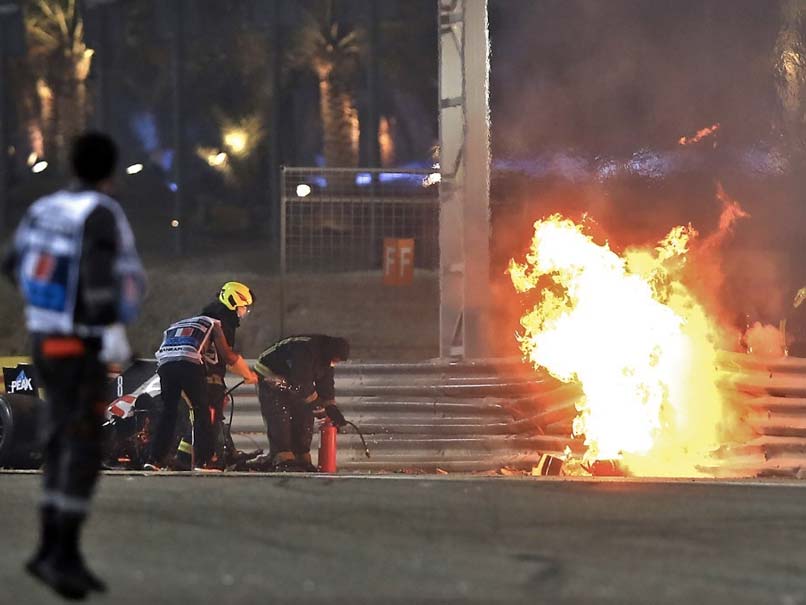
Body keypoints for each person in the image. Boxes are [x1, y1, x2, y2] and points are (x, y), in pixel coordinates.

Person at [2, 132, 146, 599]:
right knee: (82, 450)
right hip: (79, 343)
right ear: (110, 171)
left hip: (45, 340)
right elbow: (99, 279)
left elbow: (11, 262)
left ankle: (55, 549)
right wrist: (111, 335)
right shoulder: (99, 212)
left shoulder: (43, 210)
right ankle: (59, 552)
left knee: (63, 443)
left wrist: (43, 307)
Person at [145, 305, 258, 471]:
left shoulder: (178, 324)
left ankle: (155, 459)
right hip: (189, 363)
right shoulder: (214, 323)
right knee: (202, 412)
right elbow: (227, 355)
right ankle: (205, 461)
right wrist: (248, 374)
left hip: (165, 365)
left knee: (169, 413)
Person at [173, 282, 254, 470]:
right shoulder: (220, 323)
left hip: (194, 374)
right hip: (206, 379)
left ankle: (183, 459)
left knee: (203, 419)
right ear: (233, 302)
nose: (244, 312)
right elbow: (226, 356)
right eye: (244, 307)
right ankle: (207, 458)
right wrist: (247, 373)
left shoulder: (207, 318)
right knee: (211, 418)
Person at [250, 335, 349, 471]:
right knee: (280, 416)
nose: (334, 363)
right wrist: (320, 409)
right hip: (271, 376)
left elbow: (326, 386)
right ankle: (282, 456)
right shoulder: (305, 350)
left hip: (292, 380)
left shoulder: (326, 359)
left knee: (304, 417)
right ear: (330, 353)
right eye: (335, 360)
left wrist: (331, 407)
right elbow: (302, 384)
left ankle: (301, 455)